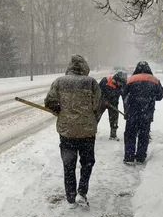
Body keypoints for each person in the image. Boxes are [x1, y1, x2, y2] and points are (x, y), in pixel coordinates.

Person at [44, 54, 101, 208]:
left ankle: (70, 195)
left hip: (67, 131)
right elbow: (97, 105)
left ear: (69, 66)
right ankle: (82, 191)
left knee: (69, 164)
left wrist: (60, 111)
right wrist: (91, 118)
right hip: (87, 132)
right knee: (87, 162)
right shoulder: (91, 83)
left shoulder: (59, 82)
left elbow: (49, 102)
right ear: (84, 66)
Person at [123, 61, 163, 165]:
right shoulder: (154, 80)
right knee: (143, 134)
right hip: (146, 113)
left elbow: (124, 94)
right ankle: (141, 156)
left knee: (130, 134)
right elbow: (160, 96)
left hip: (132, 113)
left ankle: (129, 156)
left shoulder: (130, 80)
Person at [97, 72, 126, 140]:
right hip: (102, 102)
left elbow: (124, 98)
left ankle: (113, 134)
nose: (121, 84)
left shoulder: (121, 86)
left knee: (114, 118)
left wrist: (126, 110)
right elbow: (97, 92)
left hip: (114, 103)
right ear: (116, 80)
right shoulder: (105, 81)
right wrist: (103, 100)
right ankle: (92, 132)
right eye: (120, 82)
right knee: (96, 116)